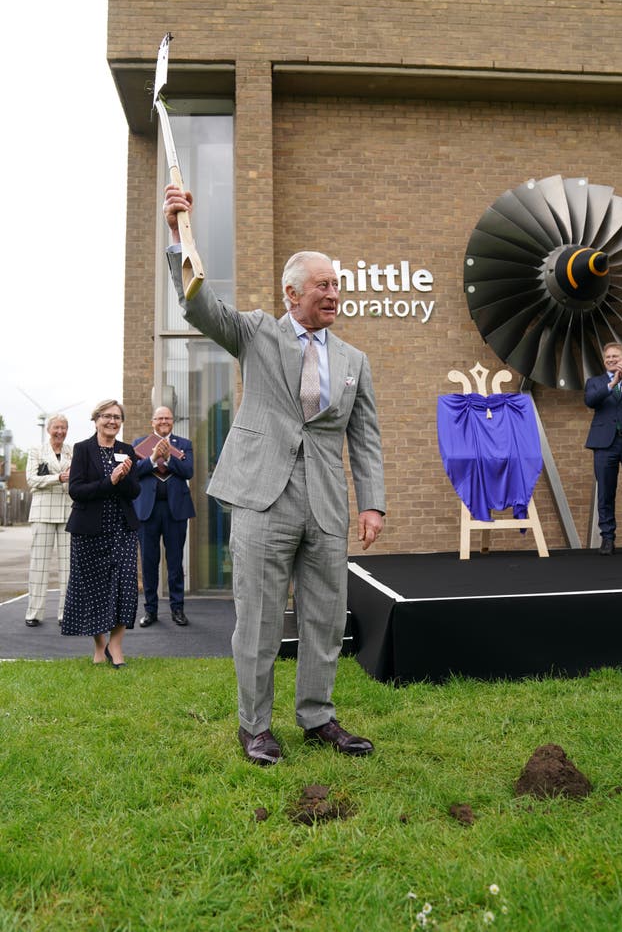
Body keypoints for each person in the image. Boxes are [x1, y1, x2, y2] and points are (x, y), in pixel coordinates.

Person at [163, 185, 386, 766]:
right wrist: (178, 235)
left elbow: (364, 437)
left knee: (325, 619)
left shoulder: (354, 361)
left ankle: (318, 718)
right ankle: (254, 728)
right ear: (293, 294)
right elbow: (198, 306)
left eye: (336, 284)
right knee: (259, 622)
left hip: (327, 505)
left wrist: (373, 504)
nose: (333, 293)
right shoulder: (257, 331)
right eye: (323, 285)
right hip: (262, 500)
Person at [61, 400, 140, 666]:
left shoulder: (127, 451)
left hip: (121, 530)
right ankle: (100, 645)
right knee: (92, 588)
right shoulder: (83, 449)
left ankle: (116, 647)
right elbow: (77, 490)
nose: (112, 421)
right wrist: (111, 480)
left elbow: (135, 492)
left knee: (125, 587)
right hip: (89, 531)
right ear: (96, 419)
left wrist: (126, 478)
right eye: (107, 416)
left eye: (117, 417)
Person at [133, 406, 196, 627]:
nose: (163, 421)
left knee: (175, 562)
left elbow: (188, 471)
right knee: (149, 563)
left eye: (167, 418)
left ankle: (177, 609)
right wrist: (152, 458)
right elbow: (134, 472)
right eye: (159, 418)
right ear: (152, 422)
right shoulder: (139, 444)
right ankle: (150, 611)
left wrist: (169, 459)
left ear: (173, 421)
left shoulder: (184, 444)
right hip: (147, 511)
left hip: (175, 510)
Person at [585, 342, 622, 555]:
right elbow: (590, 400)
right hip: (604, 444)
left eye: (615, 356)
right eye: (608, 357)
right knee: (605, 494)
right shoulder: (595, 382)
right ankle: (607, 539)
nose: (611, 360)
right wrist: (612, 383)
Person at [24, 415, 73, 627]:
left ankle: (66, 614)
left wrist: (62, 480)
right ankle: (34, 613)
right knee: (39, 565)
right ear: (48, 429)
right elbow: (31, 480)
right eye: (56, 428)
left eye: (63, 428)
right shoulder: (36, 451)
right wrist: (59, 478)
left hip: (68, 513)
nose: (60, 432)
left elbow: (78, 479)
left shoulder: (74, 451)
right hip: (42, 513)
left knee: (68, 566)